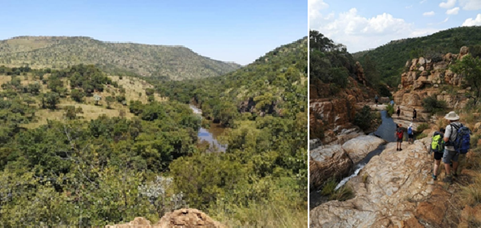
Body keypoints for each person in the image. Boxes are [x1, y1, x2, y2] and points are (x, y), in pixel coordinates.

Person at [442, 111, 462, 184]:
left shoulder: (449, 127)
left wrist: (444, 136)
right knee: (455, 160)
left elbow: (446, 139)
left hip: (450, 148)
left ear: (450, 119)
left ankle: (448, 176)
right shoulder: (461, 125)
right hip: (458, 147)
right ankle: (454, 173)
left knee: (446, 161)